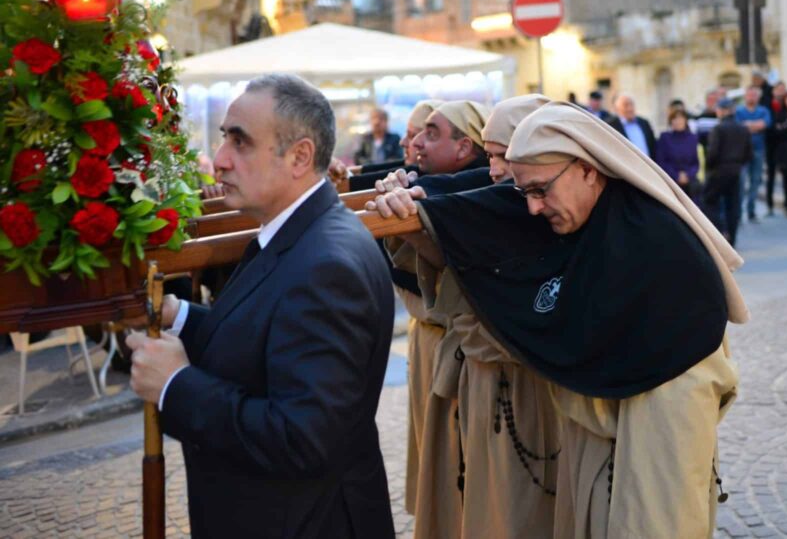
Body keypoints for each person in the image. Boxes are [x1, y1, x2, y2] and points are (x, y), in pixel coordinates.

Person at [371, 102, 746, 538]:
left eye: (538, 190)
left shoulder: (656, 251)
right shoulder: (592, 221)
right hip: (597, 449)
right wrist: (421, 213)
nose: (531, 208)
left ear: (588, 169)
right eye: (524, 193)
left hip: (652, 439)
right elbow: (484, 212)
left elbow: (662, 474)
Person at [126, 74, 395, 538]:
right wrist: (181, 316)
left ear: (299, 156)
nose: (221, 161)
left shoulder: (325, 264)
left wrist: (176, 384)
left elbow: (301, 438)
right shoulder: (300, 234)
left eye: (241, 142)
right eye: (224, 138)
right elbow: (270, 333)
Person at [384, 100, 490, 534]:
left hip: (469, 352)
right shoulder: (430, 186)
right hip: (434, 340)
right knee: (445, 468)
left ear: (466, 147)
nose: (414, 144)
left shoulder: (491, 195)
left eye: (429, 133)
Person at [704, 97, 753, 246]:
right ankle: (732, 239)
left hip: (719, 171)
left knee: (708, 202)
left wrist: (709, 168)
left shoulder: (718, 129)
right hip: (736, 171)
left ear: (724, 111)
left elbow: (712, 154)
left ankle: (720, 232)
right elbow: (748, 154)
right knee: (733, 206)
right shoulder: (743, 129)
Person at [734, 85, 773, 222]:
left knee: (755, 181)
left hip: (758, 150)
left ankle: (751, 211)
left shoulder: (763, 110)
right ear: (745, 96)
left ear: (758, 97)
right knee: (741, 182)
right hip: (742, 151)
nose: (751, 97)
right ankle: (738, 212)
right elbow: (739, 127)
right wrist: (755, 125)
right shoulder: (738, 111)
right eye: (749, 95)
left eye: (754, 95)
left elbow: (765, 124)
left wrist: (748, 125)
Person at [655, 107, 702, 203]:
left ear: (685, 120)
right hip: (671, 184)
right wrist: (676, 176)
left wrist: (687, 175)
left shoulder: (692, 138)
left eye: (681, 118)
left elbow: (696, 163)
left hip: (690, 186)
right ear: (670, 121)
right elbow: (661, 161)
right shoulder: (665, 138)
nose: (678, 121)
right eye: (674, 118)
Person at [608, 93, 657, 159]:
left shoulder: (644, 123)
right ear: (617, 109)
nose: (630, 108)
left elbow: (653, 146)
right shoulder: (610, 125)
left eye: (631, 104)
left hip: (647, 166)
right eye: (626, 105)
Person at [764, 81, 787, 216]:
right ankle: (769, 204)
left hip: (784, 145)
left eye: (783, 89)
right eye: (778, 89)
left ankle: (786, 202)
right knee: (771, 175)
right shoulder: (768, 104)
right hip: (771, 143)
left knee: (786, 174)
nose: (781, 92)